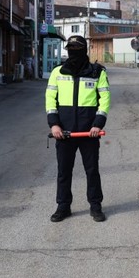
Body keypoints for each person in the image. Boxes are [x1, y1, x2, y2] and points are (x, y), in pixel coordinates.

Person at [46, 35, 111, 222]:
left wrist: (97, 125)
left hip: (88, 132)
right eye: (70, 49)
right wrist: (54, 124)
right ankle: (63, 206)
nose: (73, 52)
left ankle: (96, 206)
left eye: (77, 49)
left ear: (84, 50)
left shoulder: (97, 72)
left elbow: (104, 100)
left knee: (92, 170)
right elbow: (50, 99)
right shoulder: (58, 72)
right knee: (63, 171)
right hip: (64, 133)